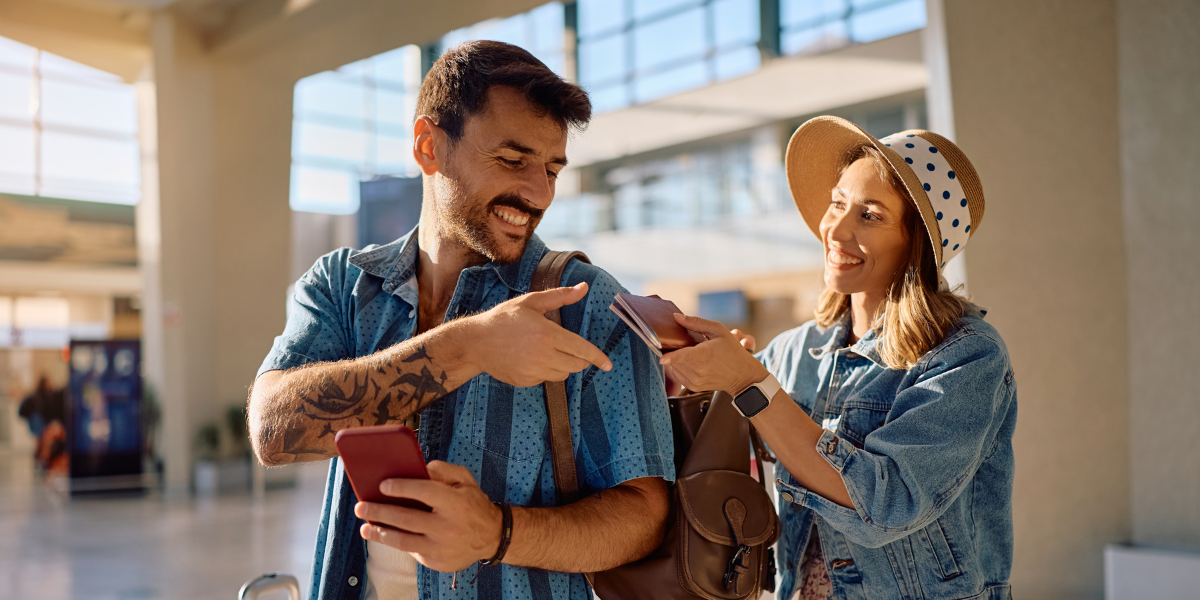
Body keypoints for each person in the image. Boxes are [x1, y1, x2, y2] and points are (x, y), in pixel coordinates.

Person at [247, 41, 675, 600]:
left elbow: (644, 517)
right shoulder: (342, 287)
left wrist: (496, 534)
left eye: (551, 169)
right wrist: (468, 346)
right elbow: (272, 430)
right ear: (429, 146)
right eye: (513, 160)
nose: (538, 193)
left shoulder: (586, 304)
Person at [661, 116, 1016, 600]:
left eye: (870, 215)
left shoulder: (968, 355)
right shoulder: (792, 350)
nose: (836, 229)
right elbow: (711, 445)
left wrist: (753, 387)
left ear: (913, 244)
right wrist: (701, 378)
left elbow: (888, 505)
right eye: (837, 203)